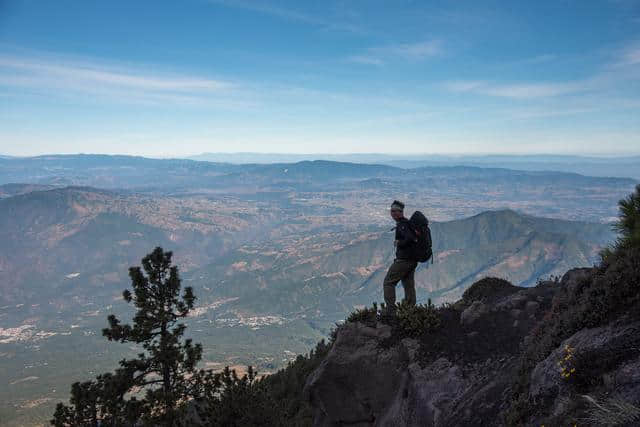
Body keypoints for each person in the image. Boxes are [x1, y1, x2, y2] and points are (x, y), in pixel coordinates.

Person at [383, 200, 418, 314]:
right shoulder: (407, 223)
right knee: (408, 284)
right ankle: (409, 309)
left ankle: (390, 310)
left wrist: (399, 243)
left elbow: (410, 238)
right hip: (412, 260)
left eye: (394, 211)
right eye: (391, 211)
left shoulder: (403, 225)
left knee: (388, 282)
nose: (392, 213)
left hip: (404, 260)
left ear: (400, 212)